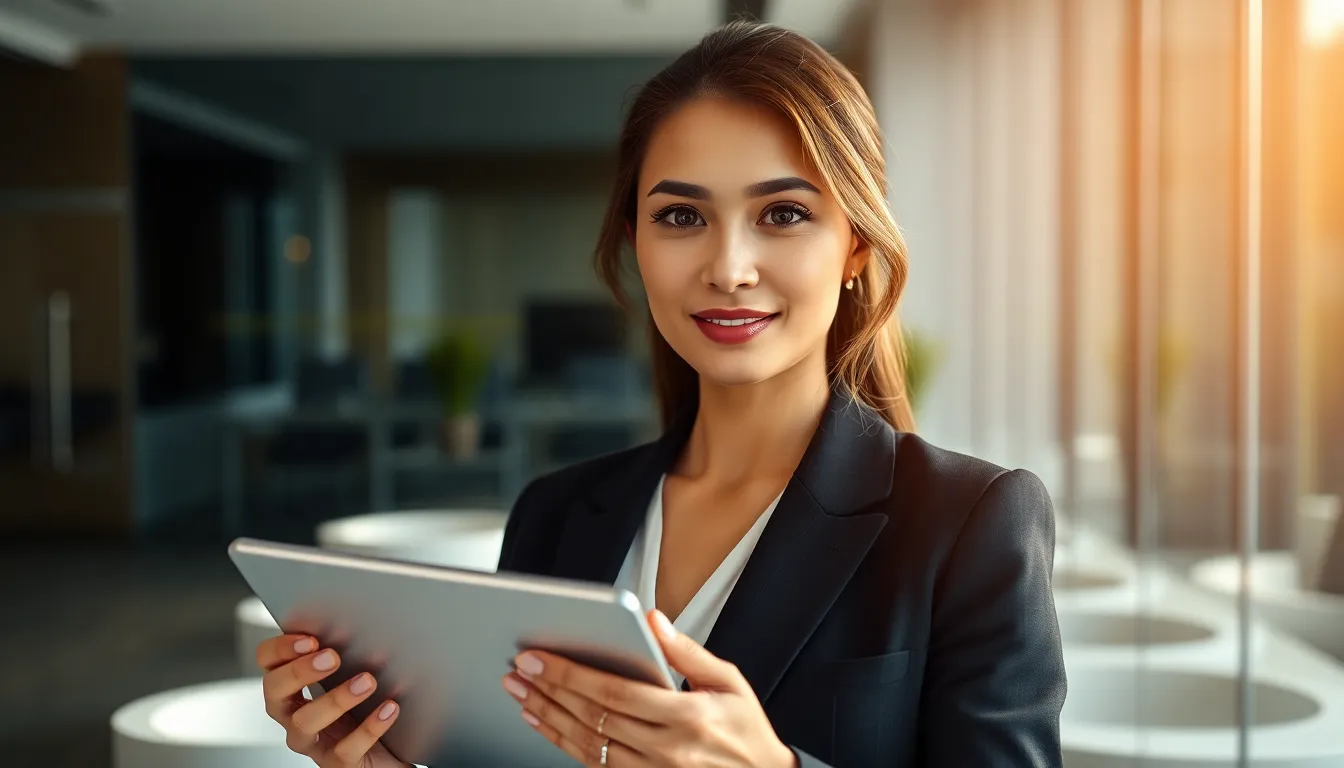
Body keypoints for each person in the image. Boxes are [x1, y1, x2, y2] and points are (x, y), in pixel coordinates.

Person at [255, 19, 1066, 768]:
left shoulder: (970, 524)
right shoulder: (555, 514)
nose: (729, 268)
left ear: (854, 245)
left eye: (782, 213)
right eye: (681, 216)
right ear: (635, 245)